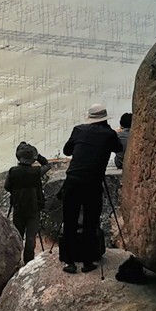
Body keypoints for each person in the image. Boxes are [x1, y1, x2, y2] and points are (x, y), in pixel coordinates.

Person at [60, 103, 123, 274]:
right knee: (90, 221)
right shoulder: (109, 134)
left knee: (70, 219)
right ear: (105, 119)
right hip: (93, 183)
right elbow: (119, 148)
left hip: (72, 180)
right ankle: (88, 261)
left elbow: (67, 151)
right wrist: (109, 131)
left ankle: (69, 261)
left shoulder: (78, 130)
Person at [4, 142, 48, 265]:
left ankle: (14, 261)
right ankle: (28, 262)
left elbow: (7, 187)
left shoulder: (13, 171)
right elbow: (47, 165)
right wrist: (38, 157)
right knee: (31, 238)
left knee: (17, 236)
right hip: (34, 209)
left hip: (18, 208)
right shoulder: (36, 172)